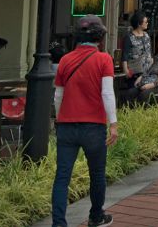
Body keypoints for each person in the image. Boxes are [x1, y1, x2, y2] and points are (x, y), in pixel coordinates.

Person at [51, 15, 118, 227]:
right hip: (93, 127)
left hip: (67, 126)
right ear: (100, 36)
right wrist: (113, 124)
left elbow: (57, 97)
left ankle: (58, 223)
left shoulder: (65, 60)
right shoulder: (104, 59)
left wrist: (61, 118)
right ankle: (96, 216)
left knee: (62, 177)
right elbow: (107, 93)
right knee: (97, 174)